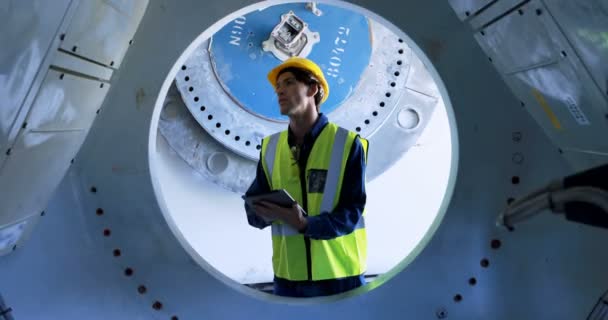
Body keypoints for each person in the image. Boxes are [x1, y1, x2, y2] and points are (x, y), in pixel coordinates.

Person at [244, 57, 369, 298]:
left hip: (341, 277)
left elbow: (352, 212)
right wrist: (261, 212)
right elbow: (253, 211)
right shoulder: (271, 147)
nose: (279, 90)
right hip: (288, 279)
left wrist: (305, 224)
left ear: (313, 89)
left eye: (288, 83)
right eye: (277, 86)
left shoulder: (347, 144)